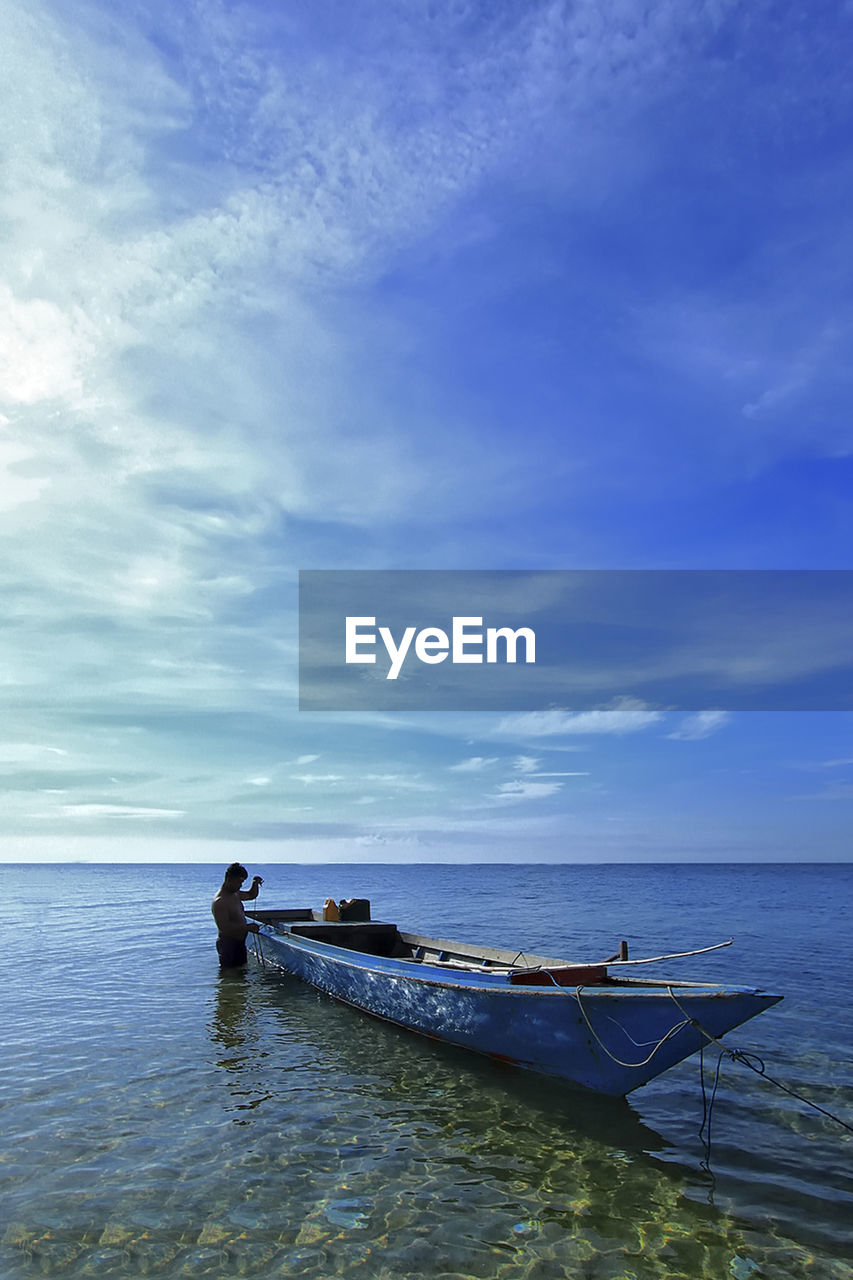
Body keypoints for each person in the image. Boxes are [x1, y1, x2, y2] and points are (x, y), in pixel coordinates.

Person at [211, 863, 264, 968]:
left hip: (240, 943)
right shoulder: (220, 901)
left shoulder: (235, 893)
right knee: (228, 975)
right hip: (228, 945)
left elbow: (251, 895)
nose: (240, 885)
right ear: (229, 879)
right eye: (239, 882)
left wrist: (255, 883)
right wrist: (247, 927)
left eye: (242, 882)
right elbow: (224, 927)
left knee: (241, 975)